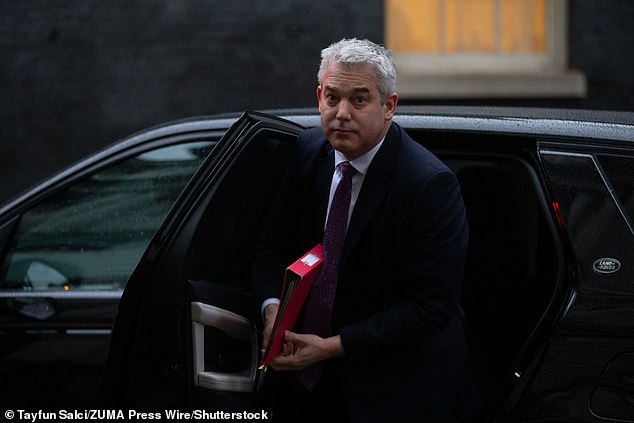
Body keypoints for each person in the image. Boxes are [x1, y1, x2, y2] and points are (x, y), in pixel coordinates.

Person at [251, 38, 483, 422]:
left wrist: (329, 348)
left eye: (359, 100)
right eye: (332, 98)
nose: (341, 113)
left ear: (389, 106)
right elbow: (270, 246)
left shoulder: (428, 185)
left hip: (397, 390)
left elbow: (429, 309)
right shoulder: (308, 151)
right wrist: (273, 311)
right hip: (303, 382)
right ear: (319, 97)